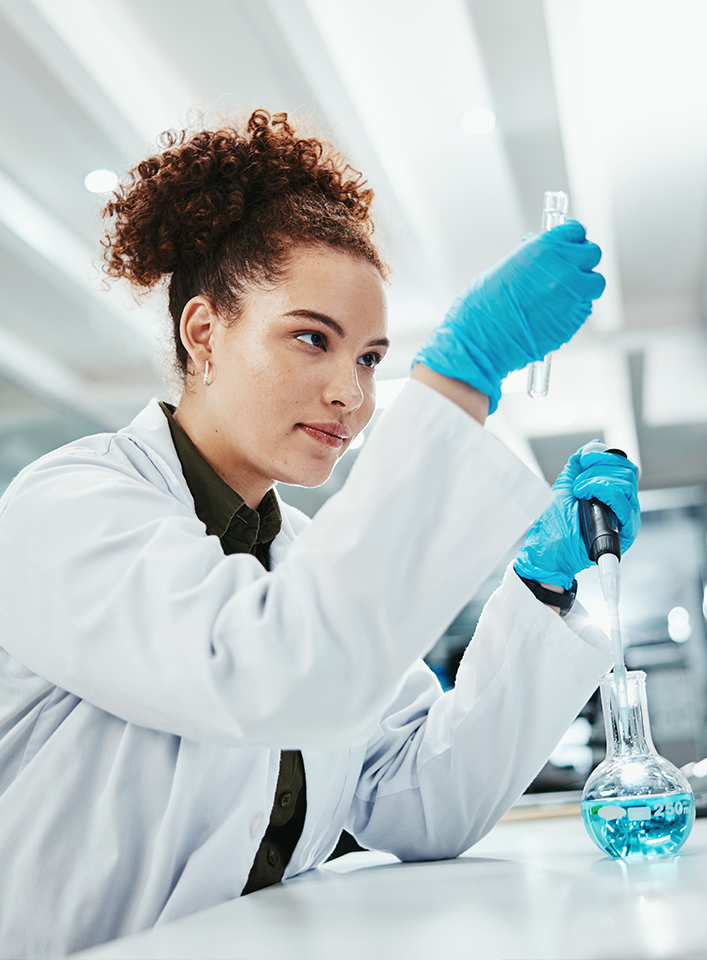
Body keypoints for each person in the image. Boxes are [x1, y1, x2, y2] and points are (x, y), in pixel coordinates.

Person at [0, 110, 640, 958]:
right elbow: (268, 669)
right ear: (204, 333)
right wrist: (461, 380)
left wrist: (542, 586)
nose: (353, 394)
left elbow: (422, 796)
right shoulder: (66, 506)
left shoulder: (297, 560)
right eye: (313, 339)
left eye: (370, 358)